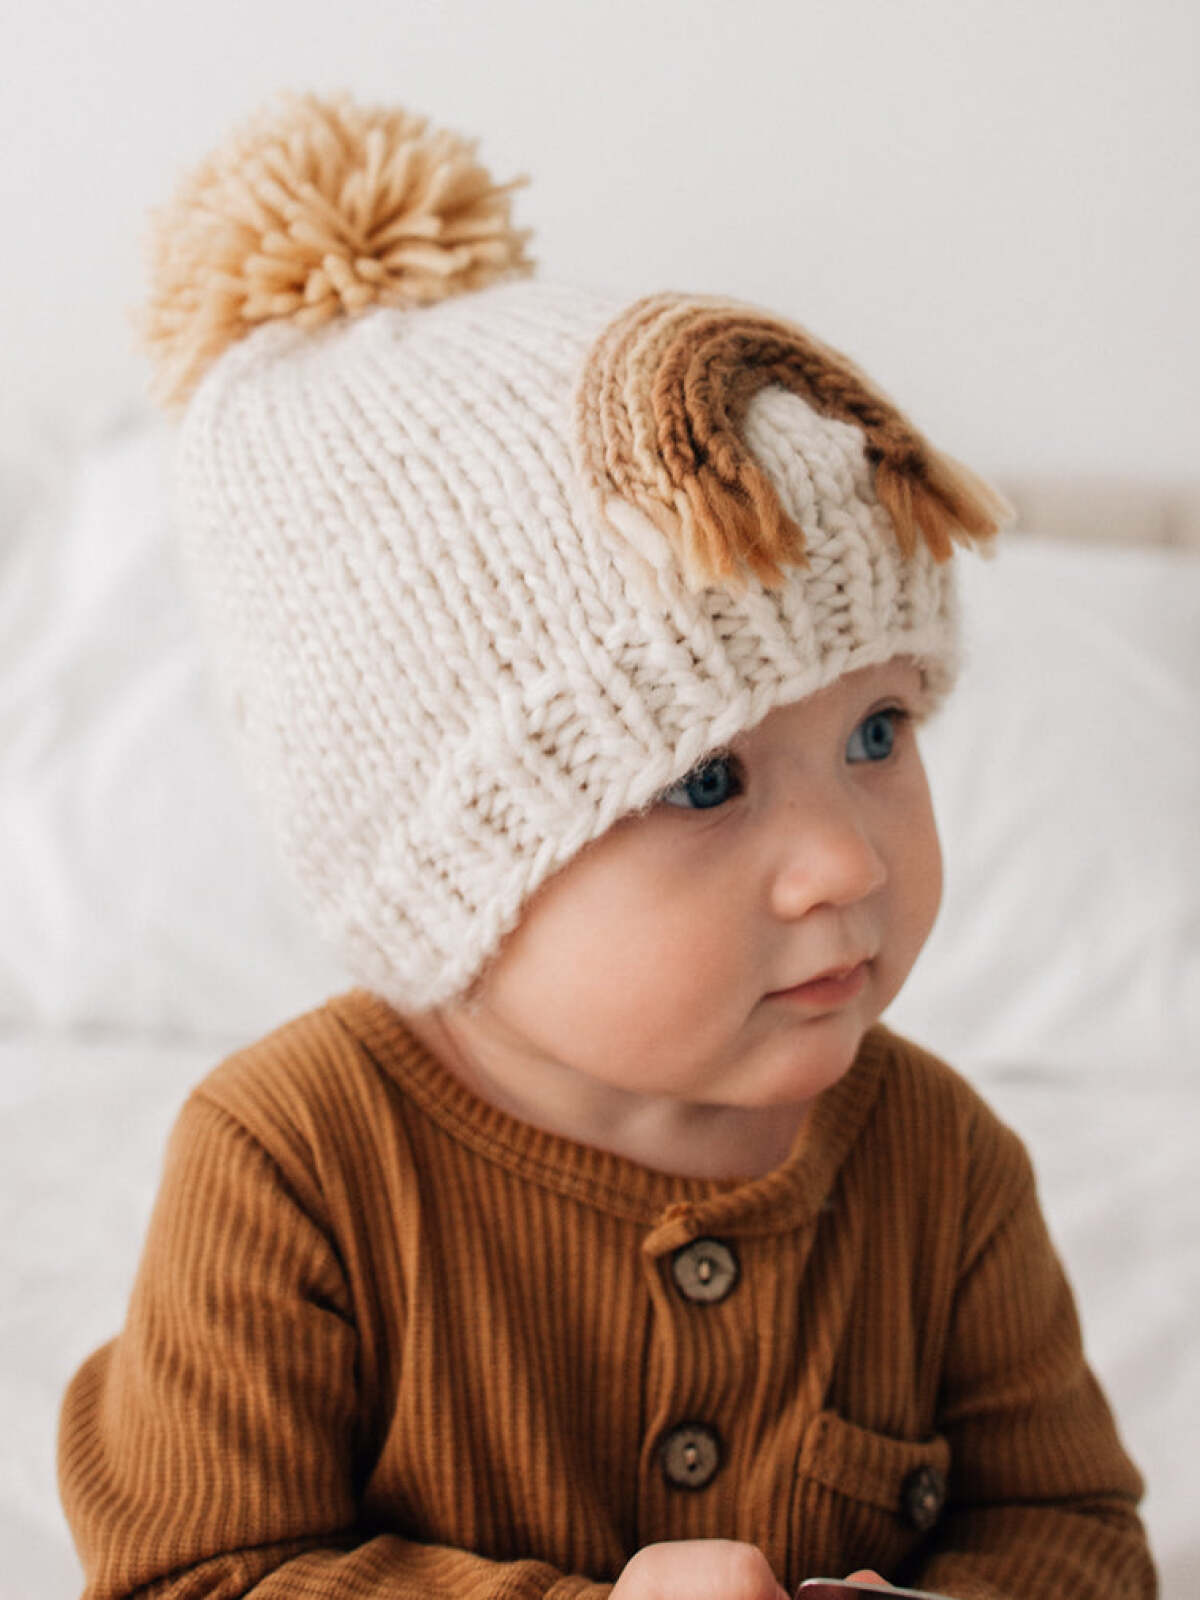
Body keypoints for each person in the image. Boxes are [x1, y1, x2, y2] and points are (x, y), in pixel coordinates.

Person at [57, 90, 1156, 1600]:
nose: (848, 862)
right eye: (707, 782)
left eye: (880, 734)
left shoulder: (942, 1168)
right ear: (455, 871)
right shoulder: (290, 1166)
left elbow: (1077, 1533)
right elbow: (197, 1575)